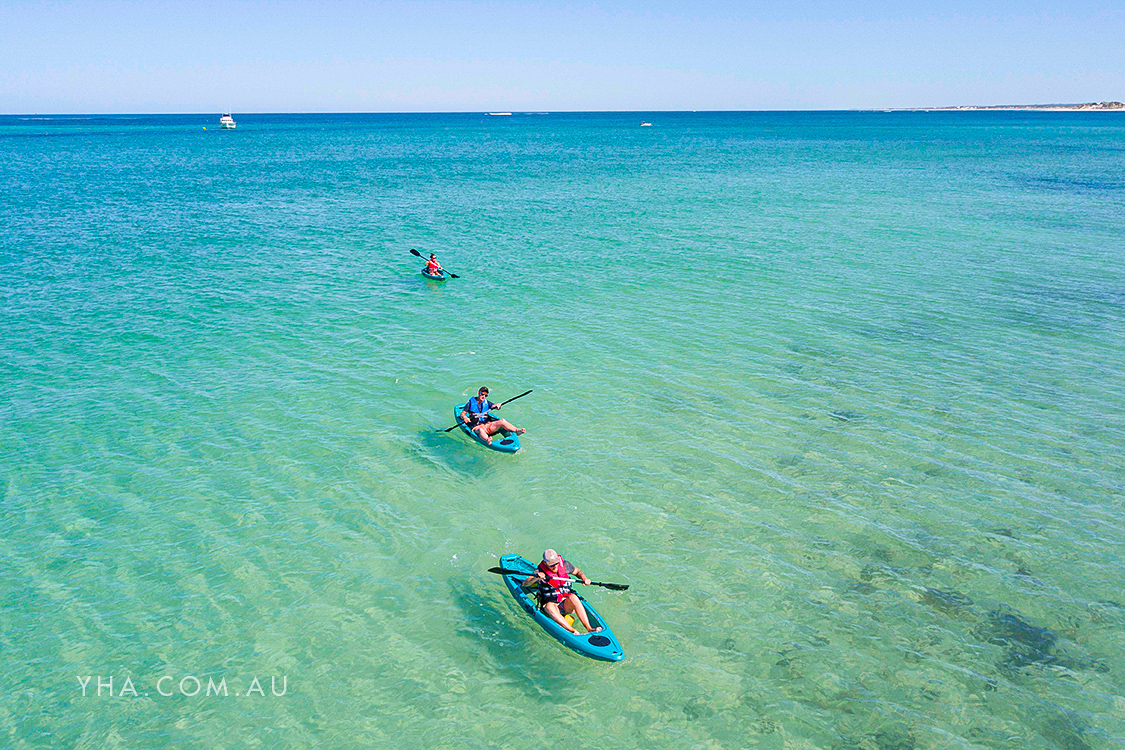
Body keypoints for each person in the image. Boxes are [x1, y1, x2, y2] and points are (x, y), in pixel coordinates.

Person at [522, 549, 603, 635]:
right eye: (551, 565)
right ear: (545, 563)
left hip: (565, 604)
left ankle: (589, 628)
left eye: (556, 563)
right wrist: (536, 578)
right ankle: (572, 631)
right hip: (551, 607)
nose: (555, 566)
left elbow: (577, 572)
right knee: (549, 606)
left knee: (574, 597)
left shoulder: (564, 565)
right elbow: (525, 584)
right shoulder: (540, 571)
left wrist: (584, 578)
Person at [459, 386, 525, 446]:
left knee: (502, 421)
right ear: (479, 393)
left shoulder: (487, 402)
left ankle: (517, 431)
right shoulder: (470, 403)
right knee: (481, 429)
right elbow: (462, 414)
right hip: (477, 427)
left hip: (488, 426)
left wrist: (498, 405)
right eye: (482, 394)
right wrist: (465, 417)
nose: (483, 397)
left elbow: (494, 406)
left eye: (486, 395)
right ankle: (487, 439)